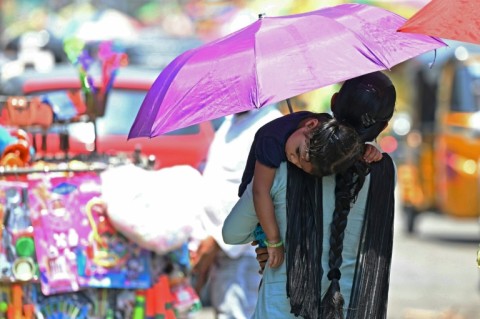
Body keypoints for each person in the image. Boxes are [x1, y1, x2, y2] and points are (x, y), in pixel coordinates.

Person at [223, 71, 397, 319]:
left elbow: (232, 233)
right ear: (384, 126)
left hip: (280, 308)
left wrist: (272, 241)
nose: (299, 161)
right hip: (349, 308)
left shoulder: (281, 166)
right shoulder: (382, 170)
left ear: (333, 103)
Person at [238, 110, 382, 269]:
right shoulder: (271, 138)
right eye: (299, 152)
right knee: (271, 259)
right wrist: (273, 240)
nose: (294, 160)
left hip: (281, 201)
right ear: (310, 124)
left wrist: (367, 150)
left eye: (301, 166)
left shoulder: (326, 134)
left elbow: (343, 150)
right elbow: (259, 191)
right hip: (258, 202)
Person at [190, 106, 283, 319]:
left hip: (244, 248)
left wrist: (217, 241)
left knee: (238, 313)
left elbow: (256, 190)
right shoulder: (230, 122)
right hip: (219, 244)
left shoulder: (268, 123)